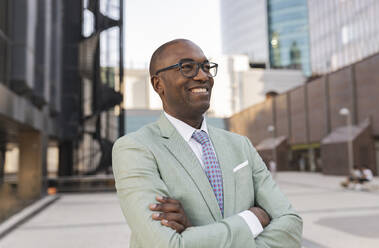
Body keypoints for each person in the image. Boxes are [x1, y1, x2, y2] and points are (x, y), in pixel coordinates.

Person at [112, 39, 303, 248]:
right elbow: (168, 245)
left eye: (206, 67)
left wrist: (194, 232)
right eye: (187, 67)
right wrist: (252, 219)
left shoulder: (241, 145)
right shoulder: (135, 149)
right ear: (158, 84)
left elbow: (291, 223)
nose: (203, 76)